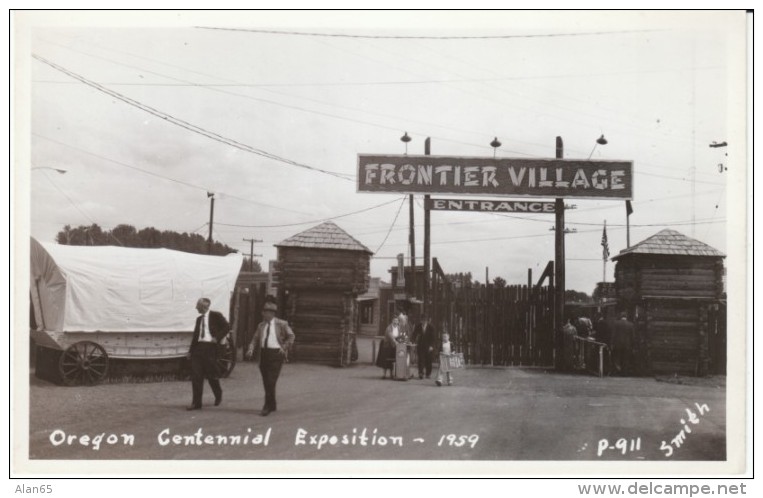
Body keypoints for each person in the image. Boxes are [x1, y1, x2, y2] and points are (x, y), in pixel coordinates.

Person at [246, 300, 295, 416]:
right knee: (266, 381)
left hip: (276, 354)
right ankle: (272, 404)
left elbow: (291, 336)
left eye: (266, 312)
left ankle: (266, 406)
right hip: (264, 354)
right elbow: (255, 338)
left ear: (272, 314)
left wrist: (284, 347)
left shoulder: (281, 324)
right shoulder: (261, 325)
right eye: (263, 312)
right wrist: (251, 348)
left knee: (270, 380)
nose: (264, 314)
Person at [187, 297, 230, 410]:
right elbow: (195, 337)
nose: (196, 307)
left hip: (210, 348)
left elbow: (227, 326)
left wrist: (217, 337)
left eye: (198, 306)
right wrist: (190, 352)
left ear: (204, 307)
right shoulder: (198, 320)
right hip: (198, 349)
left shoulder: (216, 316)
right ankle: (196, 403)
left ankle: (218, 394)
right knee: (196, 376)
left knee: (211, 375)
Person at [609, 311, 635, 376]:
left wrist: (612, 343)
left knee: (617, 358)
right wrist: (632, 345)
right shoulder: (631, 324)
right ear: (626, 316)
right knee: (626, 359)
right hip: (627, 345)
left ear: (621, 316)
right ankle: (624, 373)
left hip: (617, 344)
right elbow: (633, 336)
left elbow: (613, 334)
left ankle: (617, 372)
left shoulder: (616, 323)